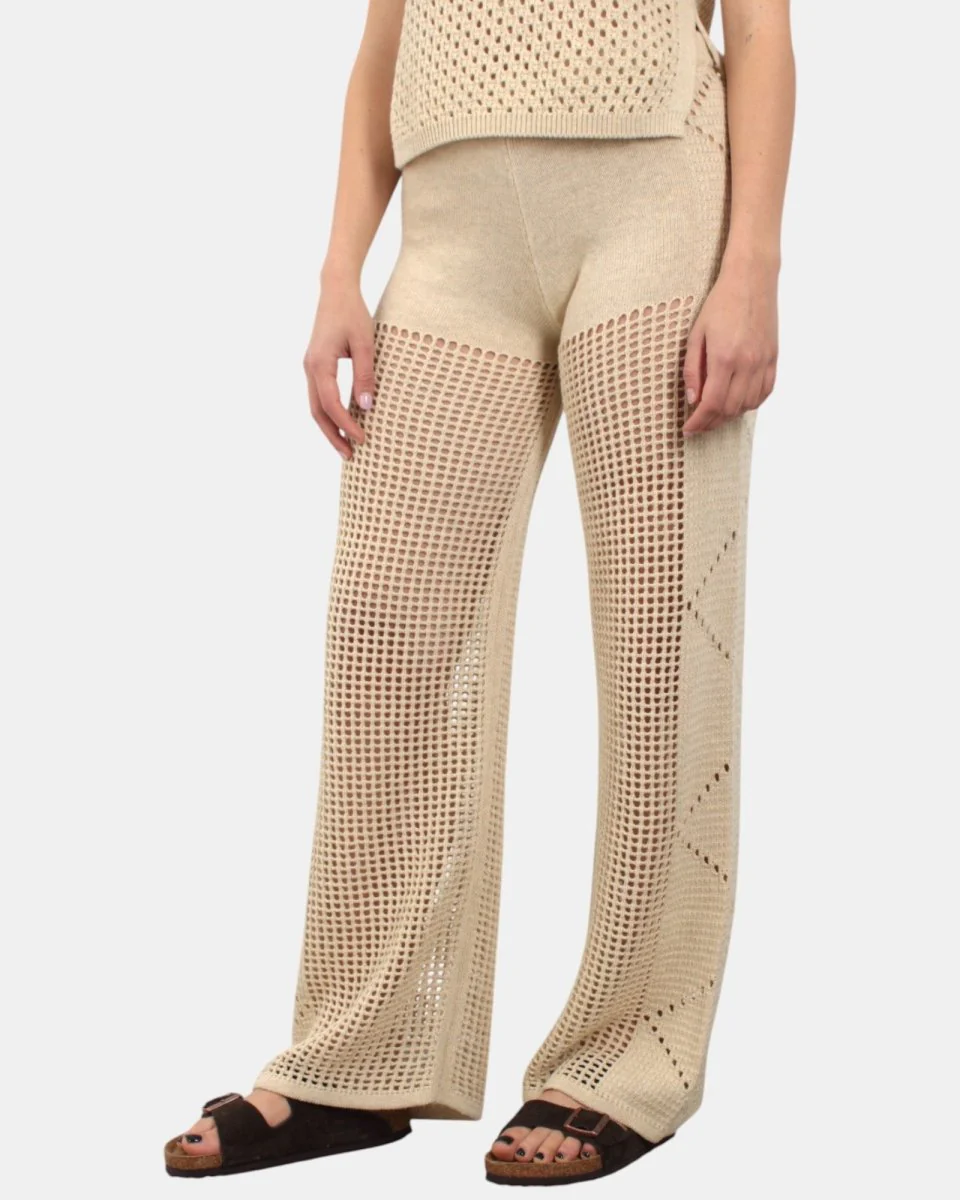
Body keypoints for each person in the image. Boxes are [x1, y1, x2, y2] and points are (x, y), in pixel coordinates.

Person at [163, 0, 795, 1185]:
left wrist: (752, 265)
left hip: (653, 200)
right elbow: (382, 49)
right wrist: (340, 270)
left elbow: (759, 33)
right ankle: (363, 1054)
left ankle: (628, 1058)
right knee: (390, 635)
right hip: (452, 235)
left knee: (661, 640)